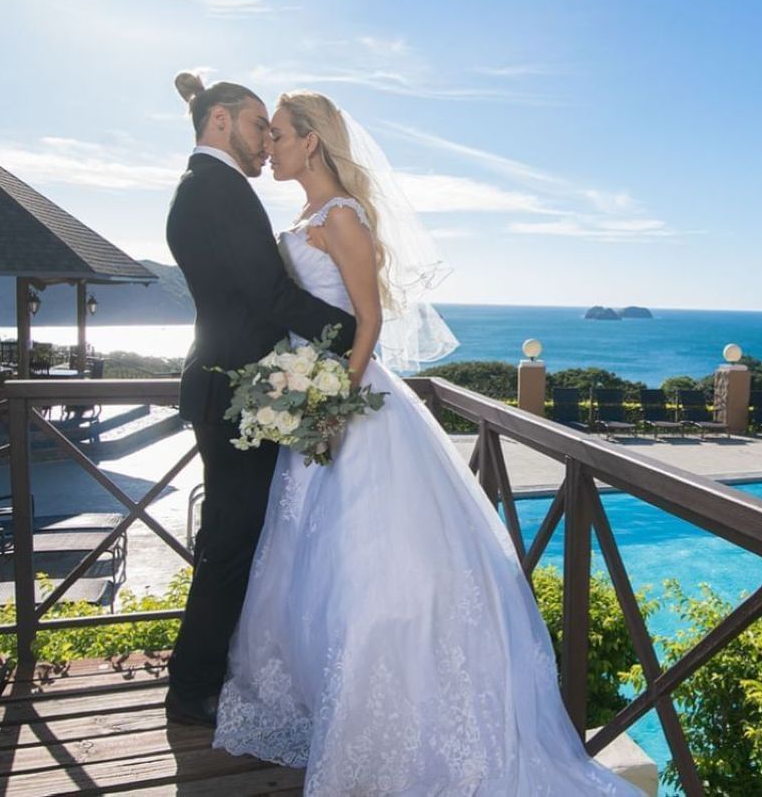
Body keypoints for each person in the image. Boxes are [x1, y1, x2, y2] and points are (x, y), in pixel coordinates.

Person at [209, 90, 637, 794]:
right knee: (311, 565)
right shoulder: (304, 217)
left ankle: (388, 725)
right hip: (311, 397)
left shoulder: (343, 219)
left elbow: (369, 321)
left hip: (349, 404)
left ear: (312, 142)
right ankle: (326, 704)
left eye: (280, 135)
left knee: (373, 567)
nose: (270, 146)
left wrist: (337, 401)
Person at [163, 73, 358, 727]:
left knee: (245, 536)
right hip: (235, 393)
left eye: (272, 132)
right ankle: (192, 689)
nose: (264, 142)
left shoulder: (208, 188)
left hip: (235, 387)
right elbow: (270, 297)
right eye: (255, 127)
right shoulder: (217, 192)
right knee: (231, 539)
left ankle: (211, 673)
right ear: (220, 121)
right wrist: (356, 335)